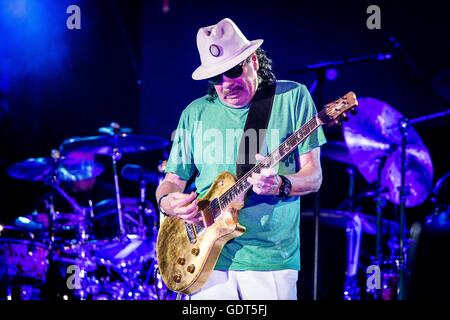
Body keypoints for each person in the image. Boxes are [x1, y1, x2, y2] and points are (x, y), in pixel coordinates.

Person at [155, 18, 326, 300]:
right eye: (216, 77)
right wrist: (167, 202)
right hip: (202, 260)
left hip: (267, 258)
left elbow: (314, 177)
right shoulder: (194, 113)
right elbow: (172, 181)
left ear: (254, 61)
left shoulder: (292, 97)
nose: (226, 84)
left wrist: (281, 184)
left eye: (233, 70)